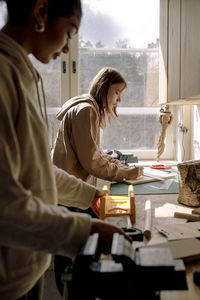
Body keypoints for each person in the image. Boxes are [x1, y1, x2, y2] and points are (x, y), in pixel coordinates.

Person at [0, 1, 132, 299]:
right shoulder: (3, 78)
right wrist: (87, 230)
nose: (69, 47)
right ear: (41, 12)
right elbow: (4, 205)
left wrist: (91, 194)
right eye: (70, 31)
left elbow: (37, 173)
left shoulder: (22, 73)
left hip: (24, 266)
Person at [52, 66, 143, 186]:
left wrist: (122, 167)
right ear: (104, 87)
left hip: (69, 186)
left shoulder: (88, 109)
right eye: (117, 92)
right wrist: (125, 174)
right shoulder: (87, 111)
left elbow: (96, 153)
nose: (119, 99)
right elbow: (93, 162)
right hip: (68, 190)